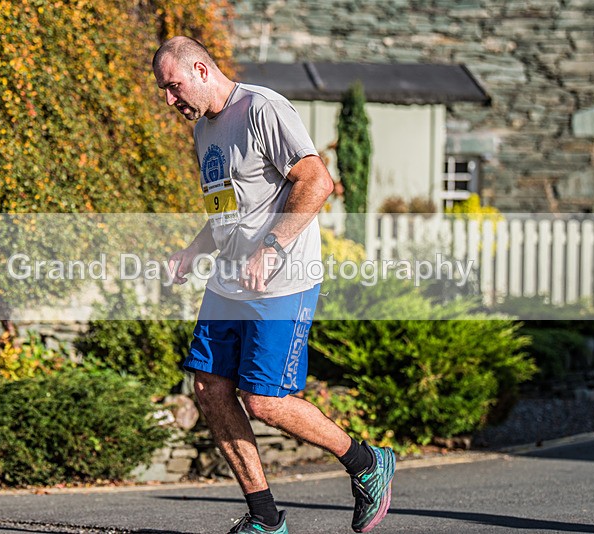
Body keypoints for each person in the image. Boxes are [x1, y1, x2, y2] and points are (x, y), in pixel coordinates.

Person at [152, 36, 395, 534]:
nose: (170, 100)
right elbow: (225, 212)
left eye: (173, 87)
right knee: (210, 388)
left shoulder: (263, 109)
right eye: (164, 91)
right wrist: (192, 253)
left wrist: (272, 247)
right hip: (229, 282)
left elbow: (316, 181)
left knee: (265, 401)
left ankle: (367, 462)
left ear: (201, 69)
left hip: (282, 281)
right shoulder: (204, 133)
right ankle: (266, 519)